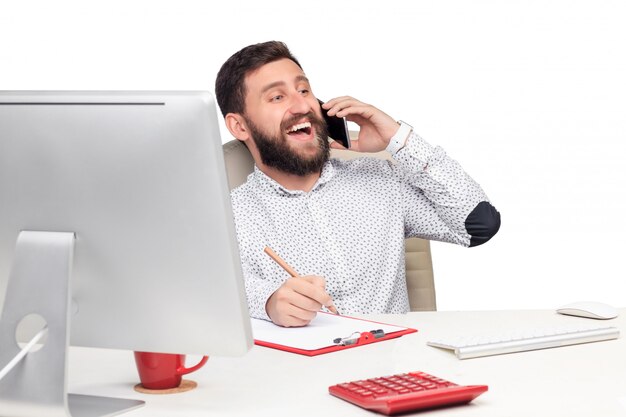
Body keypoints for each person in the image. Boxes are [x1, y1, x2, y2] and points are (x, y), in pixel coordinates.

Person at [215, 41, 500, 327]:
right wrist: (269, 302)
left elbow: (478, 224)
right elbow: (212, 295)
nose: (302, 105)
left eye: (304, 90)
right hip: (307, 370)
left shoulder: (381, 178)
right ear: (240, 126)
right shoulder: (229, 217)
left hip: (396, 363)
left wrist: (398, 139)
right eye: (277, 97)